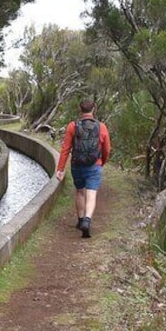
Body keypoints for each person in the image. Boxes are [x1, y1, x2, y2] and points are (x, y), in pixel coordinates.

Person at [56, 100, 111, 238]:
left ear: (80, 109)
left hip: (77, 165)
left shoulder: (72, 126)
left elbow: (65, 149)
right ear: (94, 109)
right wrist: (101, 162)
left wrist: (60, 168)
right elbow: (107, 149)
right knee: (91, 194)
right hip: (94, 165)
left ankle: (80, 220)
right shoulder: (101, 127)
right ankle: (87, 220)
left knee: (80, 192)